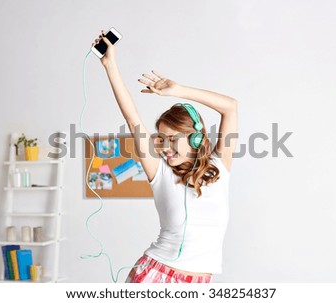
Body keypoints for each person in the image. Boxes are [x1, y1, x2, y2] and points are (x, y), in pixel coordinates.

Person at [93, 31, 238, 283]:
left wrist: (178, 90)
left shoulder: (220, 166)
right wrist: (110, 65)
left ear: (195, 138)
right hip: (155, 277)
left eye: (172, 140)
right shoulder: (160, 173)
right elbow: (133, 119)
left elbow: (230, 107)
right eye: (161, 139)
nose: (164, 147)